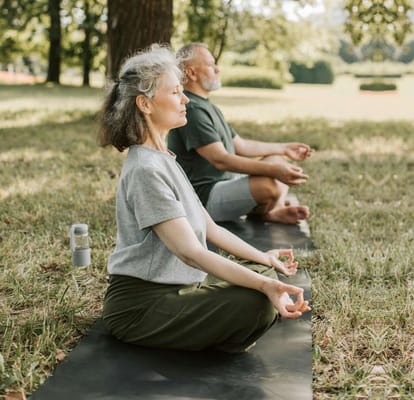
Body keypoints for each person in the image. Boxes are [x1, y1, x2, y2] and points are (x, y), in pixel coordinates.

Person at [97, 44, 310, 353]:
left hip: (183, 287)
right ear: (145, 104)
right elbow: (192, 253)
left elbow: (211, 228)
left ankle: (218, 321)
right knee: (258, 301)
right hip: (141, 308)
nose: (185, 99)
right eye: (174, 93)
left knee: (263, 273)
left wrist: (264, 258)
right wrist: (264, 286)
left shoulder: (164, 158)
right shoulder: (145, 169)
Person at [168, 42, 313, 224]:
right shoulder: (193, 110)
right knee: (269, 184)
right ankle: (269, 210)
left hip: (226, 184)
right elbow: (220, 160)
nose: (217, 69)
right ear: (191, 73)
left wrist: (284, 149)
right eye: (211, 65)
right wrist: (274, 171)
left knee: (278, 160)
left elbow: (242, 146)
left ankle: (272, 211)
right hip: (203, 198)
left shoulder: (207, 106)